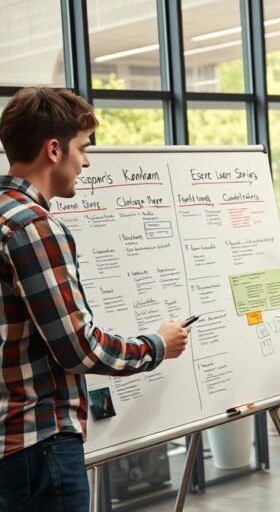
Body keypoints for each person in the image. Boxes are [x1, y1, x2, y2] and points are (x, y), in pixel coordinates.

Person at [0, 87, 191, 511]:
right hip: (37, 447)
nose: (85, 162)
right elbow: (78, 349)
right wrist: (157, 345)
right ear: (54, 149)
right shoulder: (33, 227)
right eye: (82, 148)